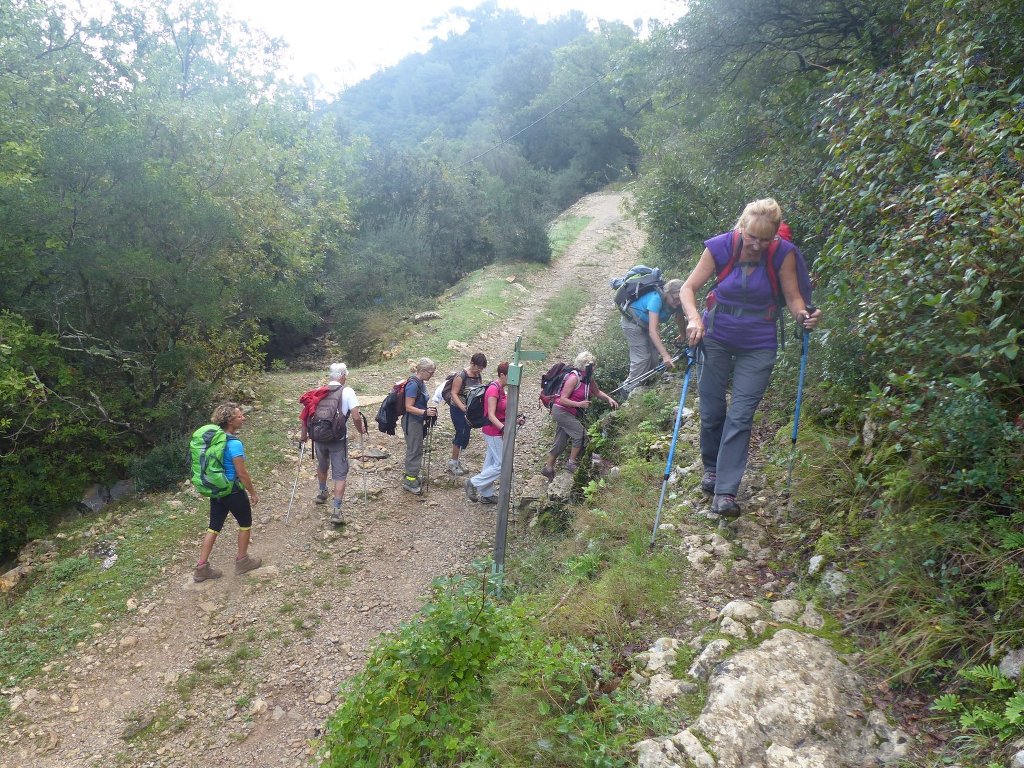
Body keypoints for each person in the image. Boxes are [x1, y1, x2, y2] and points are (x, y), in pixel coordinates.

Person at [680, 198, 821, 518]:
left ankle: (726, 492)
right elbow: (688, 288)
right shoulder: (719, 247)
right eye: (752, 237)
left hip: (759, 343)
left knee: (741, 416)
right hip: (715, 336)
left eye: (765, 239)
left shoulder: (782, 253)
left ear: (775, 236)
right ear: (741, 227)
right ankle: (713, 468)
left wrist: (804, 315)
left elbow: (794, 298)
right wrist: (693, 319)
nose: (757, 245)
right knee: (713, 409)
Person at [193, 402, 262, 582]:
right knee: (245, 524)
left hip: (216, 491)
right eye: (240, 416)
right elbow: (242, 473)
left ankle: (201, 568)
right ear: (231, 421)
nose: (243, 418)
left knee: (213, 527)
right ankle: (242, 561)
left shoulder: (213, 440)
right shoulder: (234, 444)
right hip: (233, 492)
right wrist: (252, 492)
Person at [298, 363, 365, 525]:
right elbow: (356, 416)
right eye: (345, 375)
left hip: (319, 437)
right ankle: (336, 510)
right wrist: (361, 429)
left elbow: (306, 414)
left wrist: (304, 435)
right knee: (340, 473)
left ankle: (322, 492)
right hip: (338, 439)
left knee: (322, 465)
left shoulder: (320, 391)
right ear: (342, 375)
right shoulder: (347, 391)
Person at [540, 351, 618, 479]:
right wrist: (580, 404)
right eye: (592, 365)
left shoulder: (588, 378)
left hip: (569, 412)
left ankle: (548, 468)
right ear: (585, 365)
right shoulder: (574, 378)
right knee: (579, 433)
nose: (594, 367)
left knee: (561, 439)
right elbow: (562, 399)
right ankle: (571, 463)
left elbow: (597, 392)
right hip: (561, 410)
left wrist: (609, 399)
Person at [464, 362, 525, 504]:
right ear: (502, 375)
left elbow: (502, 412)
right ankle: (473, 483)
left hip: (497, 430)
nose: (512, 380)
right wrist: (504, 429)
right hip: (493, 432)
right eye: (510, 376)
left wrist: (515, 420)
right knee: (503, 464)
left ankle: (486, 494)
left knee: (490, 462)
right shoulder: (493, 390)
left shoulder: (502, 389)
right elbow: (491, 415)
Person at [620, 278, 686, 396]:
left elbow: (680, 318)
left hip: (646, 324)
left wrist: (683, 335)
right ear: (667, 294)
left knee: (654, 359)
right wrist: (666, 355)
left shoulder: (677, 302)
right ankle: (627, 390)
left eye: (680, 299)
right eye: (675, 299)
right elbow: (653, 331)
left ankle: (641, 387)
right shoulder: (655, 298)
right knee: (642, 359)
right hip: (632, 323)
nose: (678, 302)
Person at [446, 352, 487, 476]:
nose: (479, 370)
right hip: (457, 408)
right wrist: (462, 407)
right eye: (478, 367)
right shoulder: (461, 375)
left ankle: (458, 461)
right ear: (472, 363)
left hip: (470, 409)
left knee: (466, 434)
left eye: (481, 368)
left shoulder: (478, 375)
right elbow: (454, 393)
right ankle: (453, 463)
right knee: (460, 432)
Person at [402, 358, 437, 494]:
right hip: (411, 421)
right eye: (430, 372)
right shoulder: (413, 385)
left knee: (417, 448)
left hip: (417, 420)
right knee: (414, 449)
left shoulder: (420, 382)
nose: (432, 375)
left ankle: (413, 475)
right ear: (422, 371)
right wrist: (425, 412)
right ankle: (409, 481)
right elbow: (408, 407)